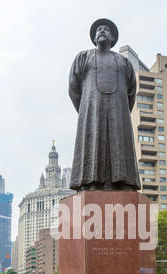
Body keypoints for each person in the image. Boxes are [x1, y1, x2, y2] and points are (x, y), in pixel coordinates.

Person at [68, 19, 140, 191]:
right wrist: (87, 109)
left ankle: (123, 183)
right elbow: (73, 88)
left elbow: (131, 91)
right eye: (99, 29)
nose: (102, 31)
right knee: (92, 144)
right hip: (91, 110)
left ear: (113, 37)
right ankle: (91, 182)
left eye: (106, 29)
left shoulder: (124, 63)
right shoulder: (83, 57)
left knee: (120, 144)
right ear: (94, 37)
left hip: (118, 111)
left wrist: (120, 111)